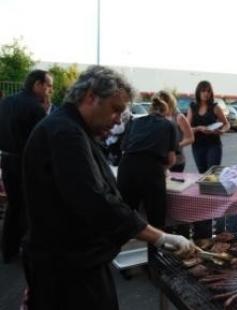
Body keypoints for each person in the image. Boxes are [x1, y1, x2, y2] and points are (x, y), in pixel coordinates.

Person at [22, 66, 194, 310]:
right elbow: (97, 202)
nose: (117, 121)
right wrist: (159, 237)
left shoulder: (70, 127)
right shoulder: (65, 132)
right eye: (115, 110)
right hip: (70, 270)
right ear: (91, 97)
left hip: (66, 263)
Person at [0, 69, 53, 263]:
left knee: (14, 206)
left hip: (6, 160)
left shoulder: (6, 102)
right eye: (48, 85)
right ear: (37, 84)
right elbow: (45, 140)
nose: (50, 90)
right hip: (26, 163)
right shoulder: (34, 107)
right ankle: (27, 250)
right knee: (30, 207)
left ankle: (8, 249)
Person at [117, 95, 177, 228]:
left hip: (127, 168)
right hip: (151, 170)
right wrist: (163, 170)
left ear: (150, 109)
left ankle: (118, 247)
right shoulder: (169, 125)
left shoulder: (134, 122)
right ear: (166, 111)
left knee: (125, 217)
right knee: (156, 220)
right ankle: (154, 249)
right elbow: (172, 159)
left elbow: (124, 149)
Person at [187, 81, 230, 173]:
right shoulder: (192, 107)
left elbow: (227, 124)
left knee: (212, 174)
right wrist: (198, 128)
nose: (206, 93)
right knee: (202, 174)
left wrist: (222, 131)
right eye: (203, 91)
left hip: (213, 145)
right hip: (197, 146)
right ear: (198, 92)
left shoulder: (215, 107)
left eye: (208, 91)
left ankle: (213, 187)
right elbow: (186, 129)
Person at [159, 90, 194, 172]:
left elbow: (190, 138)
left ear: (169, 102)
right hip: (161, 161)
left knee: (175, 183)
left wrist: (175, 146)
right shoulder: (159, 116)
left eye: (163, 102)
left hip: (177, 161)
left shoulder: (179, 117)